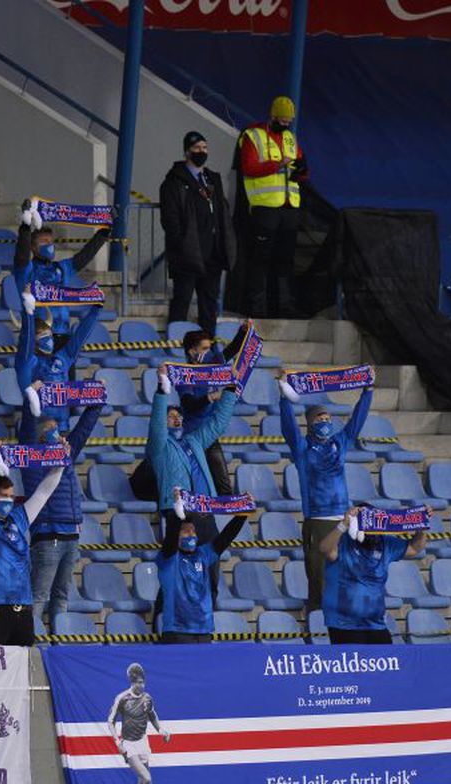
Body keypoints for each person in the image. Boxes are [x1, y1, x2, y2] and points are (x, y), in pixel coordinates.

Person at [278, 374, 373, 612]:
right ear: (310, 422)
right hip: (318, 521)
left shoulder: (339, 443)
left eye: (329, 417)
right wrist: (284, 398)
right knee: (318, 580)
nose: (326, 420)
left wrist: (367, 391)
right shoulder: (302, 448)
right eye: (321, 417)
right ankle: (317, 623)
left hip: (344, 519)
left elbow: (356, 422)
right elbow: (288, 427)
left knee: (344, 577)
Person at [0, 440, 64, 645]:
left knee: (22, 674)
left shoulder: (18, 520)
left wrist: (60, 461)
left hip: (23, 610)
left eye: (12, 496)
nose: (10, 500)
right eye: (4, 496)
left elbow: (43, 493)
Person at [17, 388, 102, 626]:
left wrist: (97, 399)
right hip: (47, 537)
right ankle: (29, 647)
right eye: (50, 429)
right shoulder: (30, 455)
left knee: (61, 597)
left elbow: (84, 428)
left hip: (72, 536)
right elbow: (28, 422)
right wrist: (31, 398)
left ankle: (58, 645)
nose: (57, 433)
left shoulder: (66, 454)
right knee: (39, 596)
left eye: (57, 428)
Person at [148, 363, 239, 541]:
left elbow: (218, 423)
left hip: (205, 509)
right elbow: (157, 423)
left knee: (211, 562)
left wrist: (230, 388)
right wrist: (163, 389)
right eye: (171, 416)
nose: (177, 418)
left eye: (179, 415)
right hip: (179, 511)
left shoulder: (193, 440)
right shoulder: (160, 446)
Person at [237, 96, 309, 318]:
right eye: (283, 120)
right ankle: (257, 306)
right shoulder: (252, 135)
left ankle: (285, 305)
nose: (286, 125)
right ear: (273, 116)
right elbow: (248, 167)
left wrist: (302, 172)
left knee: (286, 259)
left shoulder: (290, 138)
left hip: (289, 207)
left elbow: (301, 167)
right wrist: (277, 165)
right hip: (265, 207)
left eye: (289, 121)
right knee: (261, 258)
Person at [159, 130, 236, 333]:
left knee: (209, 303)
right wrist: (181, 242)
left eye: (204, 148)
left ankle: (207, 346)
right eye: (196, 148)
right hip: (188, 253)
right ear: (187, 152)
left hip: (212, 252)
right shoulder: (174, 182)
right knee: (182, 300)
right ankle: (176, 346)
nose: (201, 152)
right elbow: (170, 219)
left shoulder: (212, 179)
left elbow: (222, 211)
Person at [319, 507, 426, 644]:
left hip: (375, 623)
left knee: (386, 662)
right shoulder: (343, 542)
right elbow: (325, 549)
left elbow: (414, 548)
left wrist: (421, 527)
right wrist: (343, 524)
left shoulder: (385, 543)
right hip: (344, 623)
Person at [13, 199, 110, 344]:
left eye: (51, 241)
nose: (49, 245)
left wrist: (104, 232)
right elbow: (21, 254)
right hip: (38, 338)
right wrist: (25, 227)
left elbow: (84, 256)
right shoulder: (27, 270)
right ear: (33, 247)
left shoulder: (61, 268)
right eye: (44, 241)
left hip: (65, 337)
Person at [157, 493, 247, 643]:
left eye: (193, 531)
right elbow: (170, 541)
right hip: (177, 633)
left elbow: (225, 537)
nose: (191, 535)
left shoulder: (203, 554)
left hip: (205, 631)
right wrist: (176, 515)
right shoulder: (169, 559)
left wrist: (243, 514)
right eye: (185, 531)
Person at [15, 292, 100, 433]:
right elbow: (26, 341)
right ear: (34, 341)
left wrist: (96, 309)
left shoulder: (62, 359)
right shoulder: (28, 362)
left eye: (49, 335)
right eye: (43, 336)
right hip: (38, 431)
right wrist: (29, 313)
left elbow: (80, 336)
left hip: (63, 431)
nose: (48, 340)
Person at [175, 328, 238, 496]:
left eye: (209, 348)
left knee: (224, 486)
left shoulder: (210, 365)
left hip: (210, 434)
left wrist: (244, 330)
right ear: (191, 351)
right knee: (198, 488)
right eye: (204, 349)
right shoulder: (184, 374)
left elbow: (232, 349)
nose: (209, 353)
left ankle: (226, 520)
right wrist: (209, 398)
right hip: (194, 437)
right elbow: (188, 404)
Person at [108, 662, 170, 784]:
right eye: (138, 683)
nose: (141, 685)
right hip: (128, 744)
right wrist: (118, 742)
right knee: (147, 779)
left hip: (142, 741)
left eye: (143, 682)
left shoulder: (147, 699)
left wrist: (161, 730)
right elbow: (110, 721)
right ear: (132, 683)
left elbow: (152, 716)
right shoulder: (122, 698)